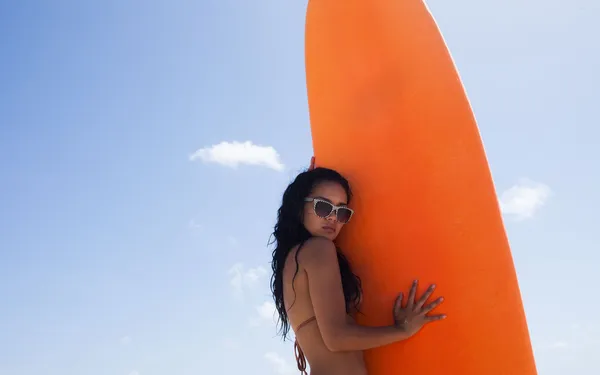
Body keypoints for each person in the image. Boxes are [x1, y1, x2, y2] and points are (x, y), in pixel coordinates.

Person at [269, 163, 446, 375]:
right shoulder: (318, 249)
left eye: (341, 211)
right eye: (323, 207)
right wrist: (402, 330)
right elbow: (336, 338)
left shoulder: (293, 259)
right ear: (299, 206)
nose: (333, 217)